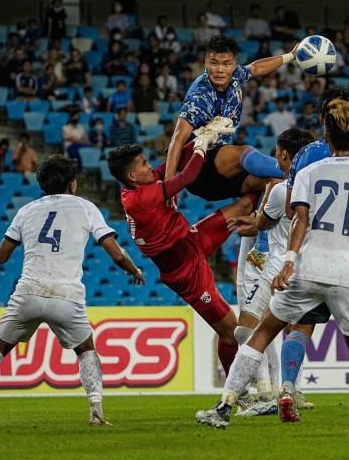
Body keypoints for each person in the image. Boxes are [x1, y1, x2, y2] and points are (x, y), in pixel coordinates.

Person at [195, 99, 349, 432]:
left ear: (327, 136)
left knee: (262, 333)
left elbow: (298, 218)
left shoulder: (307, 170)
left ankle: (224, 408)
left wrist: (289, 260)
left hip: (308, 267)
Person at [0, 155, 144, 427]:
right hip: (66, 296)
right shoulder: (86, 208)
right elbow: (115, 253)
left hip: (29, 291)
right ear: (72, 184)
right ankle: (96, 413)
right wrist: (133, 270)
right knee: (86, 350)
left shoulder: (26, 211)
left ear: (42, 185)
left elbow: (0, 257)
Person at [106, 131, 257, 396]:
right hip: (185, 272)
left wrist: (197, 138)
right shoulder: (141, 199)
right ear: (132, 176)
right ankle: (239, 395)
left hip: (191, 240)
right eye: (143, 164)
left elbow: (168, 166)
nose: (149, 166)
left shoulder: (140, 183)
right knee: (230, 332)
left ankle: (278, 187)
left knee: (245, 206)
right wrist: (200, 150)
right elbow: (185, 178)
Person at [225, 128, 314, 413]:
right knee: (293, 332)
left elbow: (262, 223)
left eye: (277, 153)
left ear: (284, 154)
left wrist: (254, 212)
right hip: (305, 269)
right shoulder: (319, 188)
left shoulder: (279, 190)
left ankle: (264, 395)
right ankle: (287, 390)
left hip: (276, 268)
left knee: (247, 331)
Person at [165, 35, 298, 202]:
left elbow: (255, 68)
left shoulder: (236, 75)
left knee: (272, 184)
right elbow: (177, 139)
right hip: (198, 168)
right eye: (214, 63)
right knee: (242, 151)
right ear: (206, 63)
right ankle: (299, 171)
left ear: (234, 64)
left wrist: (291, 56)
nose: (220, 70)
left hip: (219, 178)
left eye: (226, 64)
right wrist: (169, 187)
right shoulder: (199, 96)